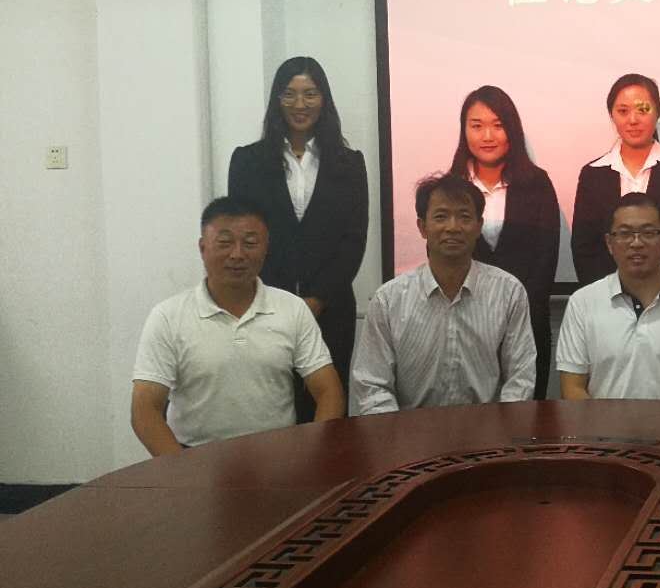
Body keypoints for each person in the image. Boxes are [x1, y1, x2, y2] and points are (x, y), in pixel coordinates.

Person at [131, 197, 344, 455]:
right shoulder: (168, 316)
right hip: (195, 458)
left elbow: (328, 390)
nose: (237, 254)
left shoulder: (292, 309)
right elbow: (144, 409)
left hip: (278, 457)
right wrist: (182, 469)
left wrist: (313, 455)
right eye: (225, 243)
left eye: (250, 243)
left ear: (266, 248)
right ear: (202, 247)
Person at [228, 56, 368, 421]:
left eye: (310, 93)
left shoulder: (349, 163)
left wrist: (316, 300)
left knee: (327, 412)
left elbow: (353, 241)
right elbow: (244, 237)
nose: (300, 104)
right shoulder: (247, 161)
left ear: (324, 99)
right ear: (277, 99)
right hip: (264, 307)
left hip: (331, 309)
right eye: (289, 94)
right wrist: (283, 302)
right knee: (267, 407)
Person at [350, 173, 536, 414]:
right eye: (441, 217)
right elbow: (372, 386)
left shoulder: (508, 292)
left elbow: (520, 379)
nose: (452, 227)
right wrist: (398, 433)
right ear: (422, 227)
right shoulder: (388, 300)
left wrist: (501, 430)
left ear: (478, 226)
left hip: (489, 431)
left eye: (464, 217)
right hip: (410, 431)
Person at [448, 85, 560, 399]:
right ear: (464, 131)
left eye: (498, 125)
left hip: (526, 324)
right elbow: (441, 258)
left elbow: (545, 259)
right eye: (477, 126)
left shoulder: (537, 184)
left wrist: (514, 315)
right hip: (463, 325)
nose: (487, 136)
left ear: (512, 129)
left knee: (525, 417)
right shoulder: (451, 188)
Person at [556, 194, 660, 401]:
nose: (636, 243)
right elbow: (572, 388)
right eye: (625, 233)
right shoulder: (583, 302)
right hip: (601, 422)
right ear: (609, 243)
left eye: (648, 233)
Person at [571, 73, 660, 284]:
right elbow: (584, 248)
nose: (633, 120)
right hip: (606, 297)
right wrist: (607, 295)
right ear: (612, 115)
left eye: (643, 110)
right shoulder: (592, 174)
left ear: (658, 113)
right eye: (623, 111)